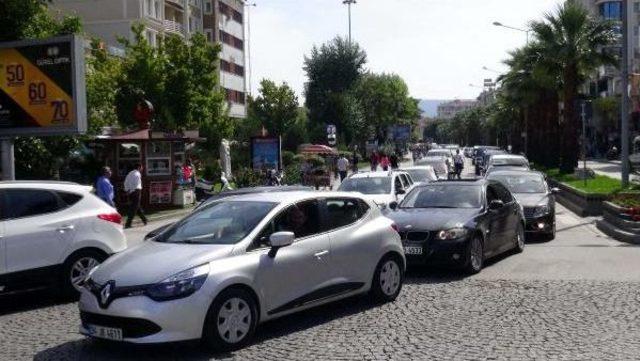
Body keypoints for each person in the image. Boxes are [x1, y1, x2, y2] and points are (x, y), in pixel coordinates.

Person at [124, 163, 147, 228]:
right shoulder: (137, 174)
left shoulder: (130, 173)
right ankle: (128, 223)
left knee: (137, 207)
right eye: (142, 167)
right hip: (136, 191)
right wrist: (134, 190)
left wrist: (127, 190)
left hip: (131, 192)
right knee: (134, 208)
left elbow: (126, 182)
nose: (142, 169)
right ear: (139, 167)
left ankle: (144, 219)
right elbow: (136, 184)